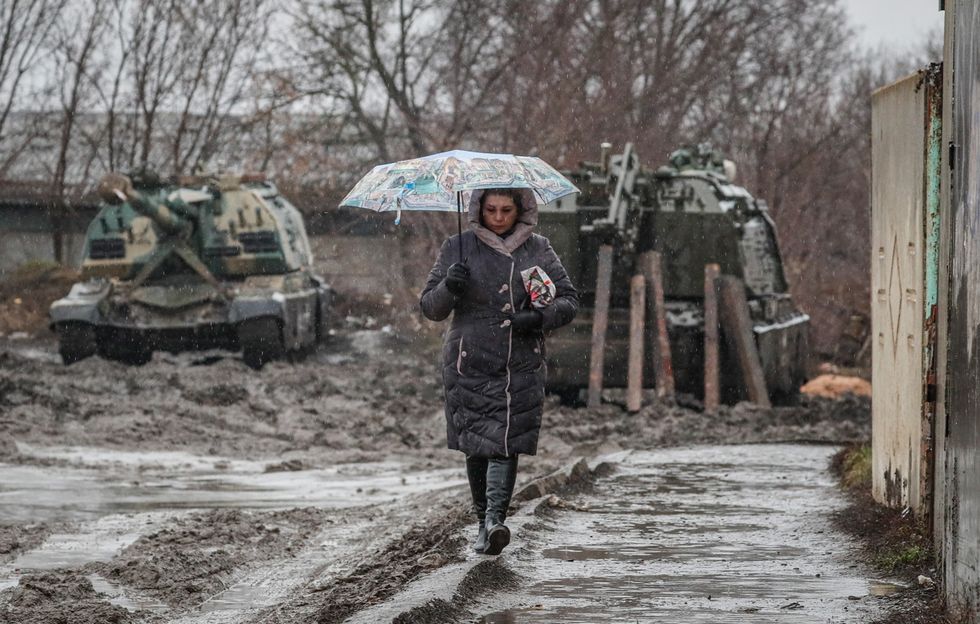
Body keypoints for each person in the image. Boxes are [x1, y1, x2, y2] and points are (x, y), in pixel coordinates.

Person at [420, 187, 578, 555]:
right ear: (479, 209)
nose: (499, 217)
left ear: (521, 209)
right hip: (469, 360)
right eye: (491, 209)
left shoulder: (538, 248)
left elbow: (569, 300)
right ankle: (483, 522)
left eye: (507, 209)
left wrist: (538, 316)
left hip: (519, 361)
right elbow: (430, 307)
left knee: (506, 440)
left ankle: (495, 520)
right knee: (476, 445)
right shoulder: (457, 246)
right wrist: (449, 286)